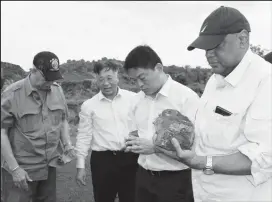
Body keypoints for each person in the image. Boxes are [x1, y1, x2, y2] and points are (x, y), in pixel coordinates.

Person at [159, 6, 272, 202]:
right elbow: (208, 135)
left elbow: (264, 156)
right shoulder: (215, 80)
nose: (209, 54)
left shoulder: (265, 81)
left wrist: (201, 162)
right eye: (205, 48)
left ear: (242, 39)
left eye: (217, 45)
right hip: (206, 194)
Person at [123, 45, 199, 202]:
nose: (139, 85)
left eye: (142, 78)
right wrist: (132, 142)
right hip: (143, 176)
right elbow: (134, 132)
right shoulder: (137, 100)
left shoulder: (186, 98)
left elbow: (194, 149)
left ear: (158, 68)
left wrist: (155, 147)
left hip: (175, 181)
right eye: (134, 80)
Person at [1, 51, 75, 202]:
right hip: (22, 170)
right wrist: (15, 169)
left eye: (53, 78)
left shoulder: (57, 90)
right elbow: (2, 133)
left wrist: (67, 144)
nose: (50, 82)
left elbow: (62, 120)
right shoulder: (12, 94)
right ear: (33, 70)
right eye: (46, 77)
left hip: (49, 167)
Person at [75, 60, 139, 202]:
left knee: (132, 198)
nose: (106, 83)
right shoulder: (89, 105)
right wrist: (80, 166)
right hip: (103, 161)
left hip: (130, 157)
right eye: (101, 79)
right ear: (96, 80)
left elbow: (143, 126)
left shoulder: (134, 99)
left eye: (109, 78)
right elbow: (84, 136)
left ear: (117, 77)